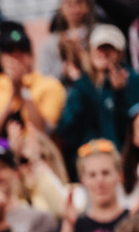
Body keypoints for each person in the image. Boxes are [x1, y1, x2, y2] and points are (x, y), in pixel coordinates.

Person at [47, 139, 130, 232]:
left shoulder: (132, 219)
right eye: (92, 175)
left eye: (105, 173)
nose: (100, 181)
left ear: (119, 176)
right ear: (83, 180)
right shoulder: (74, 224)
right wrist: (68, 225)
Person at [0, 21, 67, 137]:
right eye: (9, 52)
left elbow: (45, 132)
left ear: (31, 55)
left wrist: (23, 91)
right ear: (0, 57)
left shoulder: (51, 86)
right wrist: (12, 96)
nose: (16, 57)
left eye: (21, 50)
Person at [57, 24, 139, 155]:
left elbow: (130, 129)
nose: (104, 53)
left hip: (122, 157)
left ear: (120, 53)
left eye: (110, 48)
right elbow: (67, 129)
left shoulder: (133, 81)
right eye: (100, 48)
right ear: (90, 51)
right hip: (87, 156)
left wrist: (119, 94)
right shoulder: (81, 83)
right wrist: (80, 86)